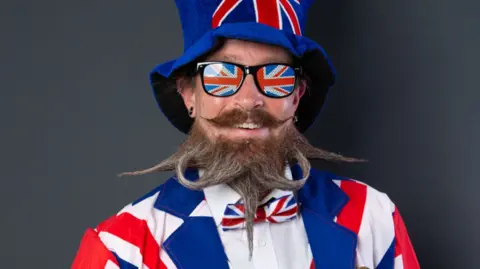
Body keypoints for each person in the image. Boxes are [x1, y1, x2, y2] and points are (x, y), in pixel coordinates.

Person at [72, 0, 420, 268]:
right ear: (189, 94)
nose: (250, 100)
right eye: (222, 74)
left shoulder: (371, 219)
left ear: (297, 95)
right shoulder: (123, 248)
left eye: (275, 75)